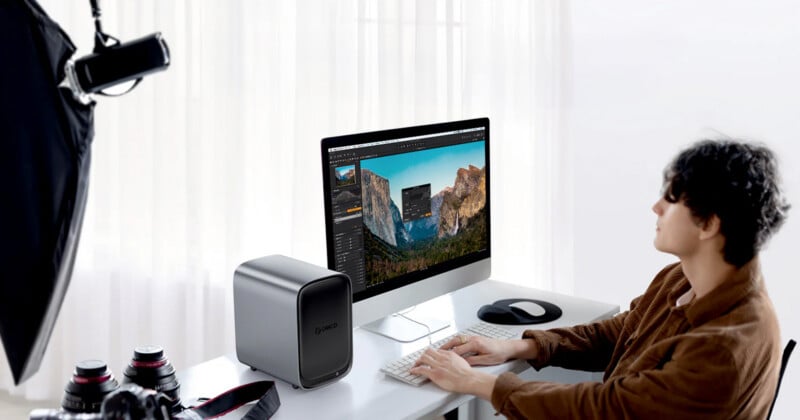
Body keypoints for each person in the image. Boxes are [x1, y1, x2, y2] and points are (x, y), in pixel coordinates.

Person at [410, 139, 790, 419]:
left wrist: (480, 383)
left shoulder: (725, 346)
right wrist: (517, 347)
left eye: (672, 199)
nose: (656, 207)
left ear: (709, 224)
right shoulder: (684, 278)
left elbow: (610, 409)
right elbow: (623, 333)